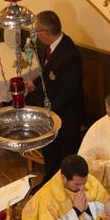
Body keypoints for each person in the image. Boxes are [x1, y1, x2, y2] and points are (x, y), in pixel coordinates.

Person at [27, 10, 85, 180]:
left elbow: (70, 92)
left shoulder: (69, 55)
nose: (35, 34)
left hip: (66, 119)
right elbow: (49, 72)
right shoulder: (51, 46)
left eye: (36, 31)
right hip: (52, 114)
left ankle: (60, 188)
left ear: (45, 33)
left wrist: (47, 111)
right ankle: (48, 182)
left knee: (63, 159)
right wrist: (35, 84)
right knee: (50, 153)